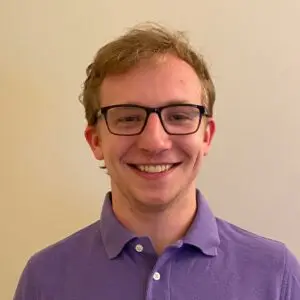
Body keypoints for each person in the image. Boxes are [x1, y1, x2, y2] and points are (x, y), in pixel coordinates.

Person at [14, 23, 300, 300]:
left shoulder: (276, 275)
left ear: (206, 136)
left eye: (178, 116)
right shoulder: (45, 279)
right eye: (128, 118)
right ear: (96, 141)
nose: (154, 142)